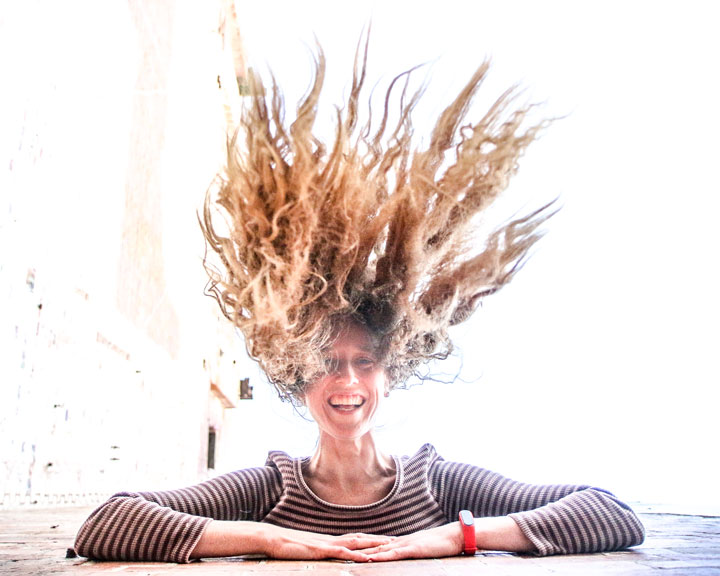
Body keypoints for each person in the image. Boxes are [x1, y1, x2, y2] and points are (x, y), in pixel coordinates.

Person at [73, 37, 645, 563]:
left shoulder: (437, 484)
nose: (346, 380)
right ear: (296, 376)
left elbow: (609, 512)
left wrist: (456, 534)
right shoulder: (272, 489)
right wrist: (273, 537)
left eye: (364, 362)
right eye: (326, 363)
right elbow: (106, 523)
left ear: (390, 373)